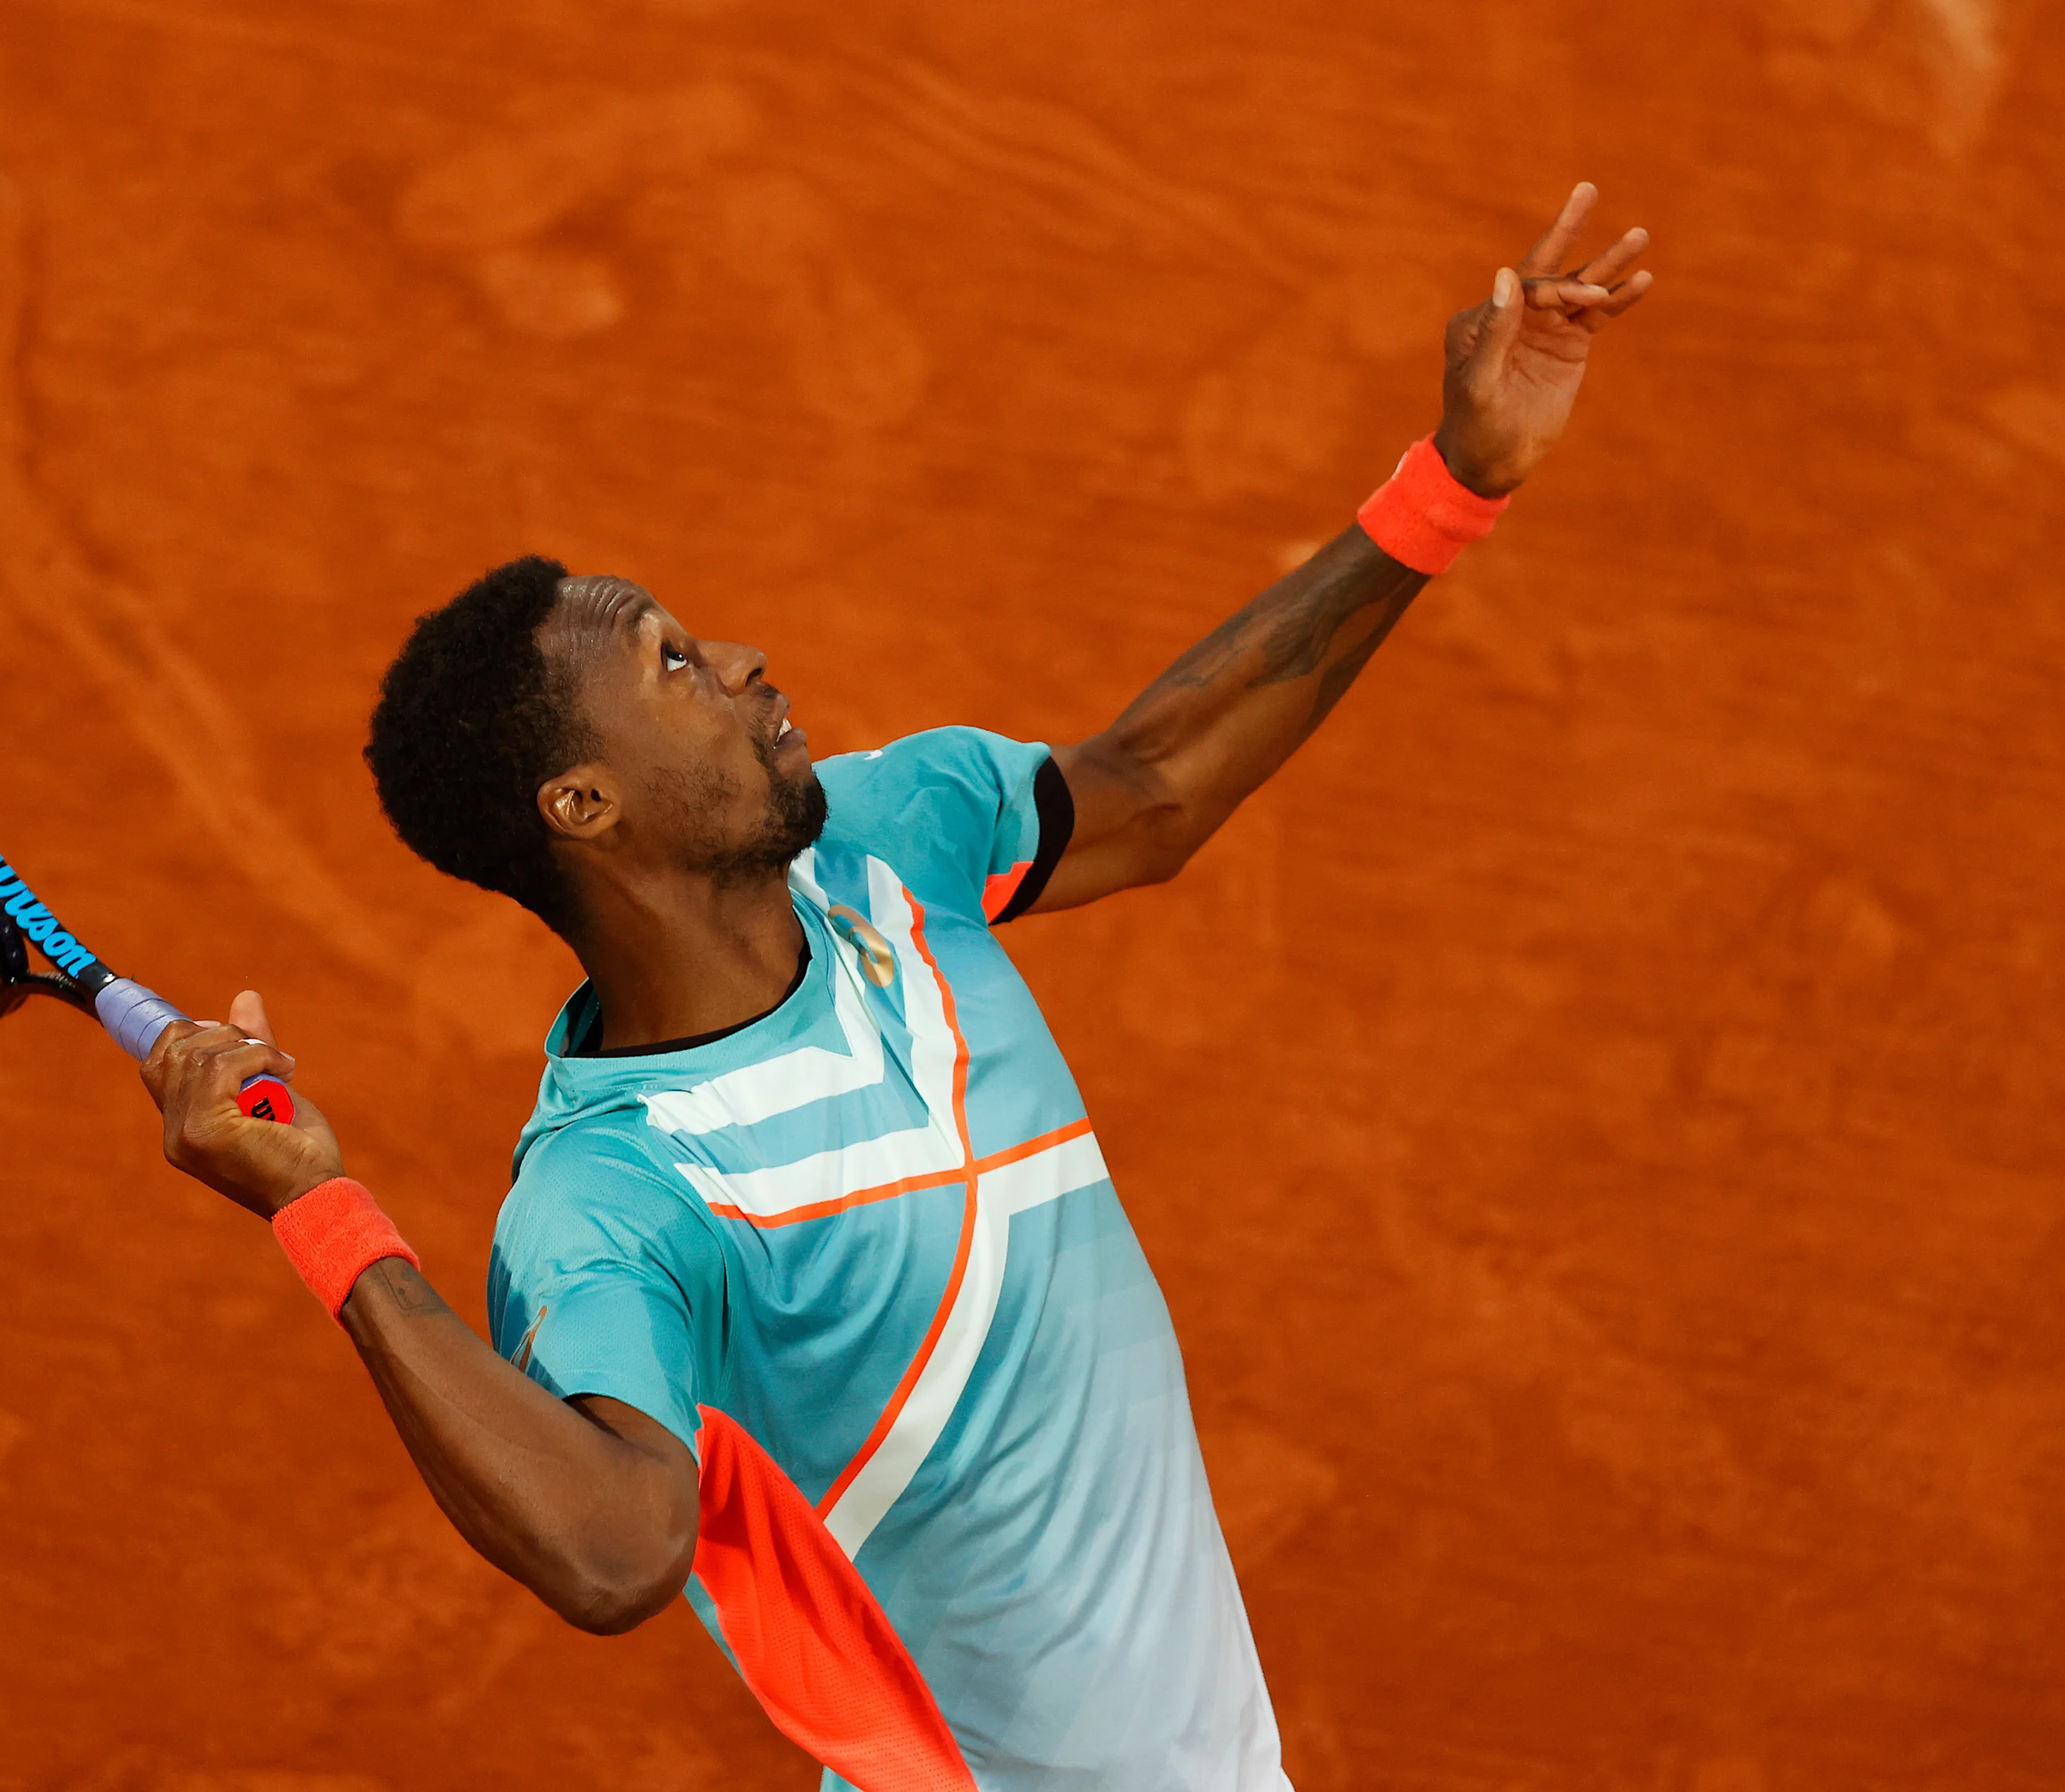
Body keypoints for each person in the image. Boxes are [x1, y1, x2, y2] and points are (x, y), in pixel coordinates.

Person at [139, 185, 1653, 1790]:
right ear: (583, 807)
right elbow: (612, 1553)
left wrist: (1449, 490)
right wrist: (323, 1215)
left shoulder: (883, 841)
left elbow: (1146, 790)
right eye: (667, 662)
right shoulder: (619, 1197)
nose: (738, 662)